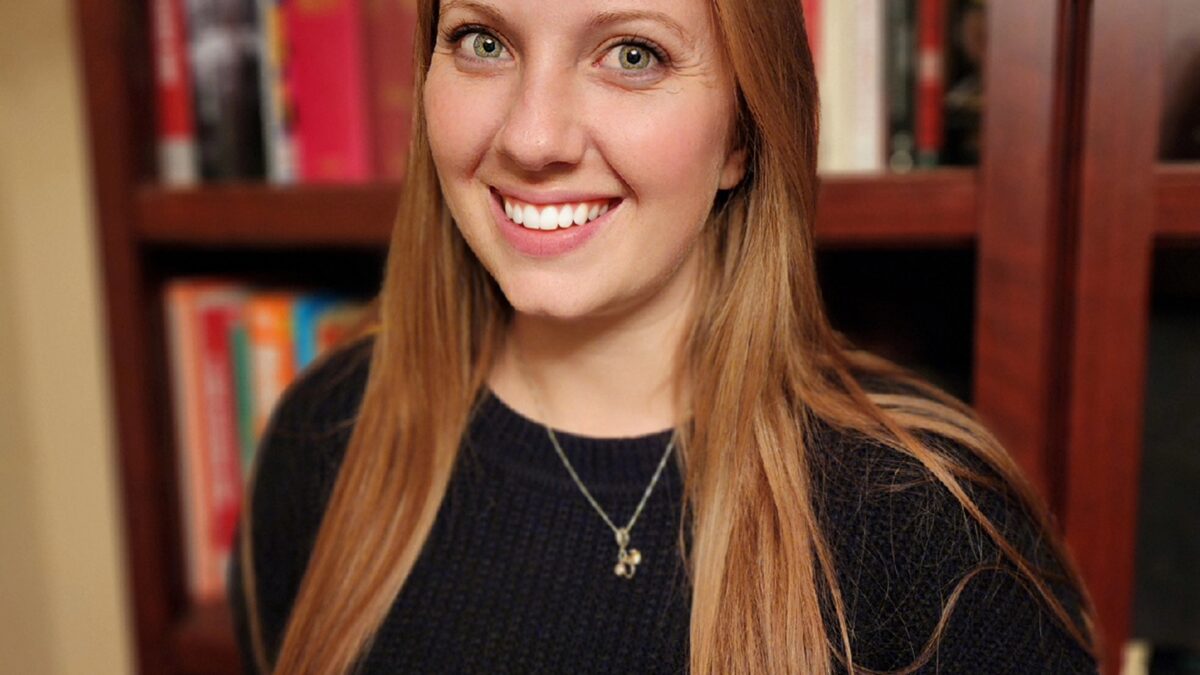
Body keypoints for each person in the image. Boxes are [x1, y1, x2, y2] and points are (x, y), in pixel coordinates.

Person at [228, 0, 1100, 672]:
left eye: (633, 55)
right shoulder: (324, 440)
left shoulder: (934, 527)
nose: (533, 137)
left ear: (742, 134)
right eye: (483, 41)